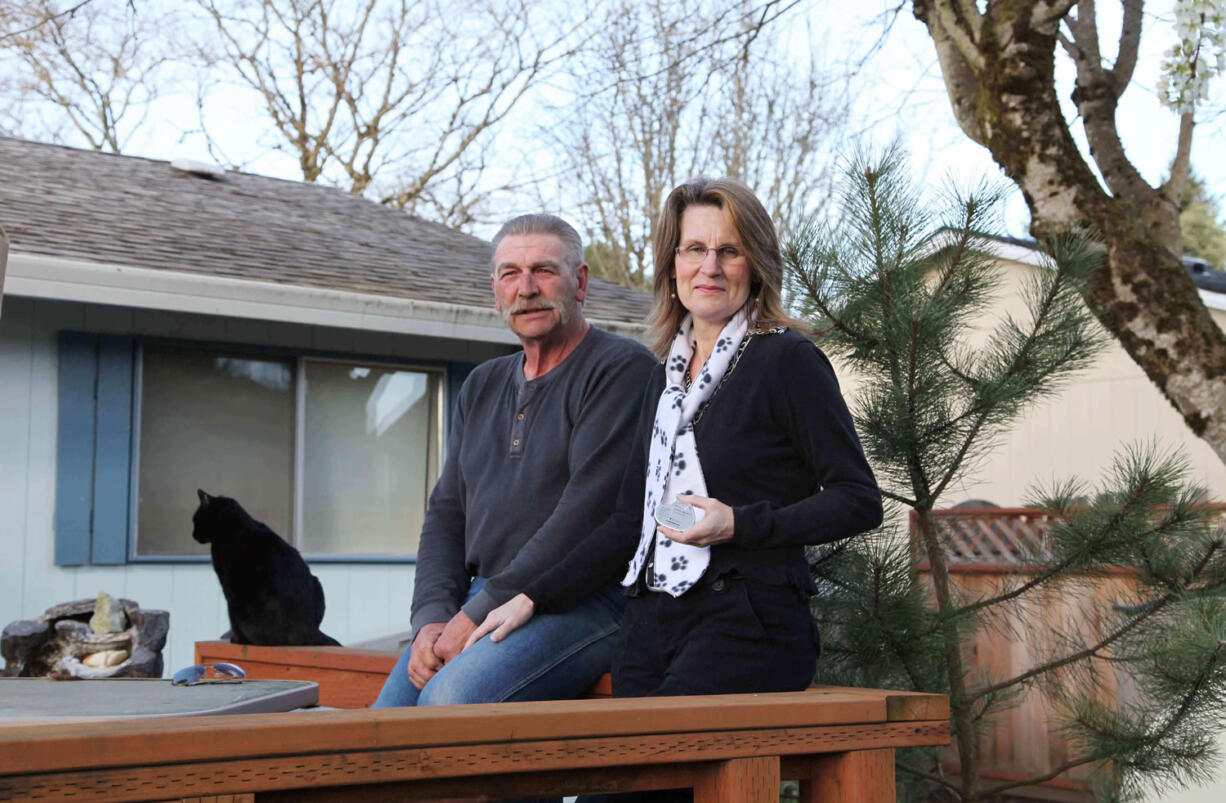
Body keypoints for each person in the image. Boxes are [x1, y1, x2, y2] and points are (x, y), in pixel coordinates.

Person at [470, 179, 883, 705]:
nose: (709, 267)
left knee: (655, 781)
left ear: (754, 265)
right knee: (612, 783)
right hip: (650, 622)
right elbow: (629, 521)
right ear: (672, 266)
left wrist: (737, 523)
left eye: (728, 251)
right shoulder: (663, 378)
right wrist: (531, 595)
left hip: (746, 622)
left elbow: (858, 500)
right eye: (694, 249)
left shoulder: (786, 361)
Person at [371, 214, 657, 708]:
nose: (526, 289)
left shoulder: (621, 370)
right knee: (375, 731)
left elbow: (585, 517)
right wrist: (433, 618)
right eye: (510, 274)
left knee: (449, 703)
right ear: (495, 289)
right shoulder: (482, 384)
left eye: (544, 270)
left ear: (580, 281)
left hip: (582, 601)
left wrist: (478, 611)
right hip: (483, 598)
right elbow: (448, 513)